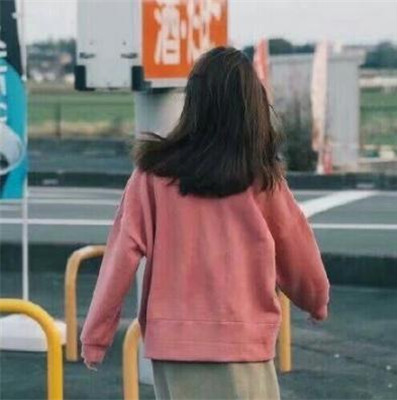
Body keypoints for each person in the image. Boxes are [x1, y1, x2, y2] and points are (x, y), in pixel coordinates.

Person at [80, 46, 331, 399]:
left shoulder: (152, 175)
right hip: (241, 344)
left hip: (173, 348)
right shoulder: (260, 178)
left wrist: (96, 336)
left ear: (194, 102)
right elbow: (296, 248)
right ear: (252, 107)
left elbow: (120, 257)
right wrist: (315, 300)